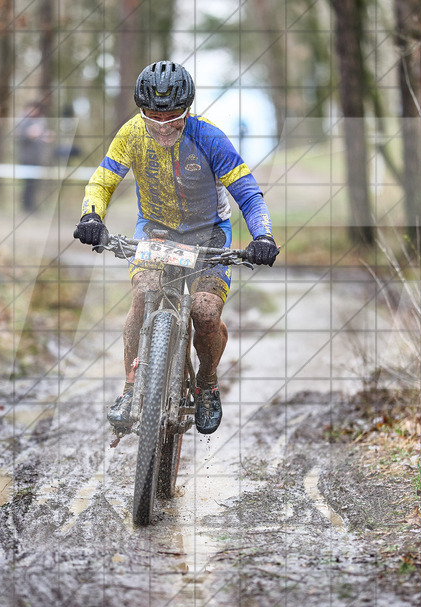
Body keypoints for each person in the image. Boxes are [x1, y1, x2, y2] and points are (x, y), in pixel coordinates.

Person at [73, 60, 279, 435]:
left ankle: (207, 382)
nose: (164, 126)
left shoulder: (209, 137)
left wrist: (262, 236)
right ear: (141, 111)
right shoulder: (131, 134)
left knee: (204, 311)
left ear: (188, 109)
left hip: (208, 234)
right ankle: (130, 389)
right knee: (143, 294)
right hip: (156, 232)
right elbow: (102, 181)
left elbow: (248, 193)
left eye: (173, 117)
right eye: (154, 117)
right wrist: (91, 216)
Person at [16, 100, 54, 211]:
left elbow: (42, 138)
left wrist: (46, 137)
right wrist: (28, 135)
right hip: (26, 158)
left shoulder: (41, 121)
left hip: (38, 157)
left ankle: (33, 206)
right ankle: (26, 206)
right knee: (27, 184)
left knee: (35, 184)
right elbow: (18, 138)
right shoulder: (22, 121)